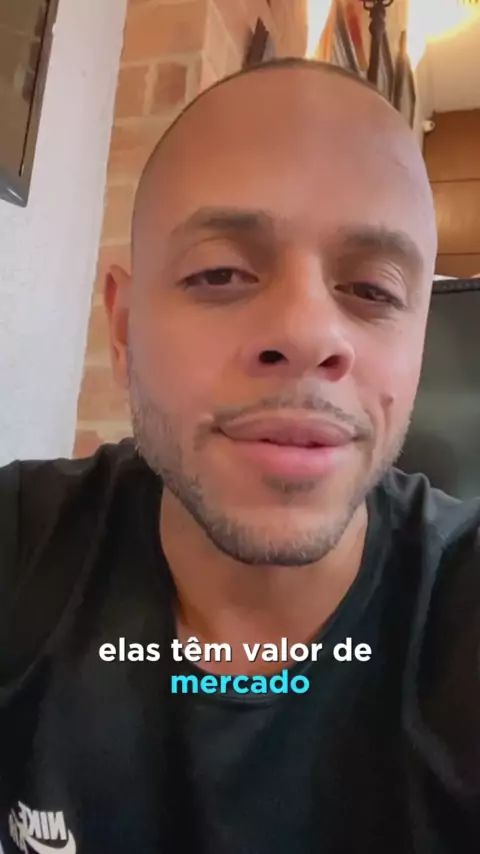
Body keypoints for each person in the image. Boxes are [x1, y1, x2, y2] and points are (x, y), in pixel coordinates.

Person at [0, 58, 479, 854]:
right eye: (220, 272)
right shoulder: (20, 544)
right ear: (123, 331)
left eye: (372, 290)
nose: (307, 335)